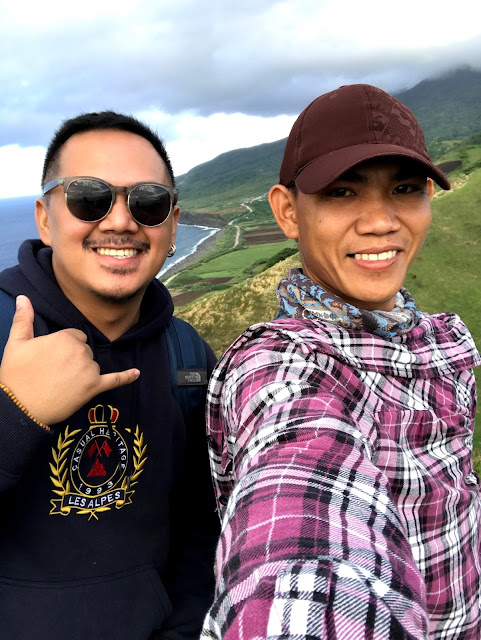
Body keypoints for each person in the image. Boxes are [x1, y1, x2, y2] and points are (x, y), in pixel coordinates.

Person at [201, 84, 481, 639]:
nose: (380, 222)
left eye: (404, 189)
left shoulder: (433, 340)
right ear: (287, 212)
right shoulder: (283, 365)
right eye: (342, 192)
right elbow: (299, 492)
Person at [0, 111, 219, 639]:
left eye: (148, 203)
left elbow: (201, 528)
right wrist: (13, 414)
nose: (120, 222)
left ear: (171, 224)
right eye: (88, 197)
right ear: (45, 218)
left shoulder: (188, 355)